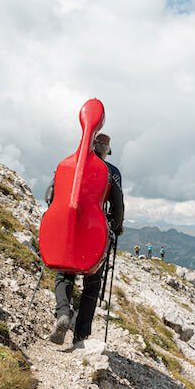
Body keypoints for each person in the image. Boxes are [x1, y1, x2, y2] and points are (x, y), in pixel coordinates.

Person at [47, 133, 124, 345]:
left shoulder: (70, 164)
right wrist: (116, 227)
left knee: (64, 274)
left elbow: (50, 196)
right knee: (92, 283)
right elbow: (117, 206)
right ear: (105, 150)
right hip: (95, 232)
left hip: (70, 228)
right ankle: (81, 335)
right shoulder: (112, 172)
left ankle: (63, 313)